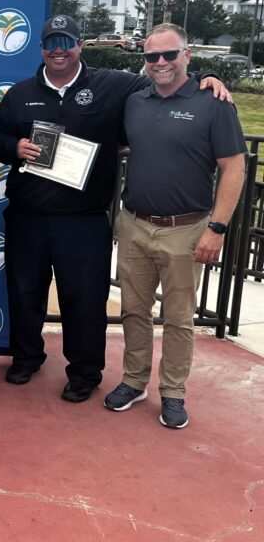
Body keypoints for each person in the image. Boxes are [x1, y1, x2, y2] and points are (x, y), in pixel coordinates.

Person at [0, 15, 230, 403]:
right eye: (51, 42)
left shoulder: (113, 84)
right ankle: (26, 357)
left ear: (79, 45)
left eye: (66, 41)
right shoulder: (20, 93)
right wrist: (12, 148)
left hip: (84, 220)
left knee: (84, 300)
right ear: (41, 48)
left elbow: (166, 76)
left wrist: (205, 74)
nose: (58, 49)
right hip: (28, 216)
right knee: (24, 292)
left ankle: (84, 372)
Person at [104, 23, 245, 429]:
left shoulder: (213, 102)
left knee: (179, 317)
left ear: (187, 55)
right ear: (144, 61)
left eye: (170, 54)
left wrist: (217, 228)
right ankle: (134, 381)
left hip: (187, 228)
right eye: (152, 56)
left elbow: (234, 169)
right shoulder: (135, 100)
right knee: (134, 310)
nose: (161, 63)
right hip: (133, 223)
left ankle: (173, 392)